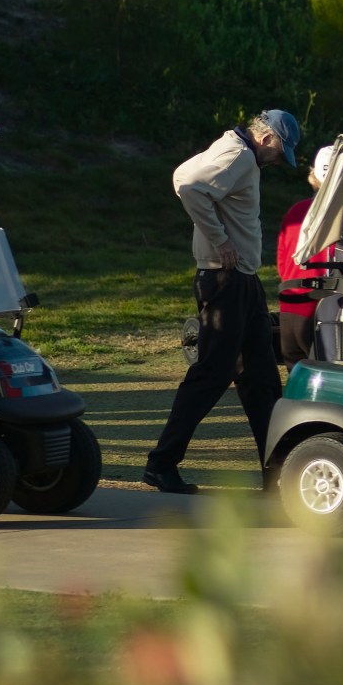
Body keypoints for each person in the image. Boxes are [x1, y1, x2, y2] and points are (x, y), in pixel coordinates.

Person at [145, 109, 298, 494]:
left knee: (261, 378)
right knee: (212, 373)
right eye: (280, 150)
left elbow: (185, 175)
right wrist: (219, 239)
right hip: (224, 279)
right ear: (266, 139)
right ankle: (161, 463)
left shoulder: (233, 150)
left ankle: (277, 473)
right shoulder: (238, 155)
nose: (279, 159)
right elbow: (188, 185)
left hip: (240, 280)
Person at [275, 145, 338, 366]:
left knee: (298, 379)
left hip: (289, 308)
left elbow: (282, 262)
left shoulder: (295, 211)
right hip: (319, 313)